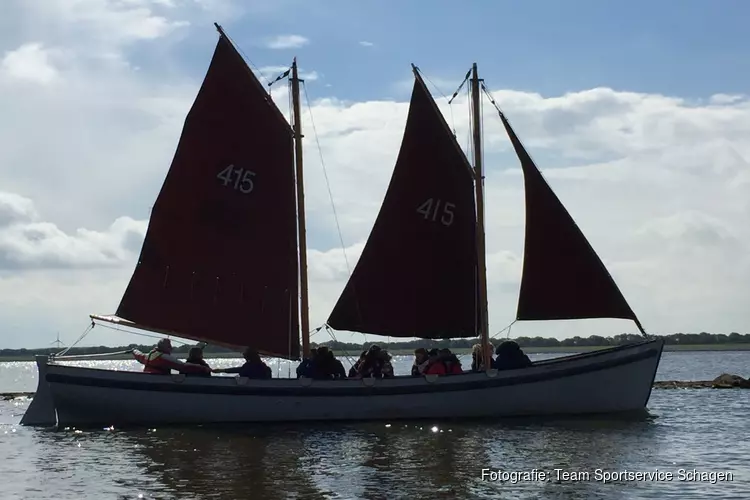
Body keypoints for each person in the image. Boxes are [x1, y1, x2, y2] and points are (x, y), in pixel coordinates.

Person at [132, 338, 210, 375]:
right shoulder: (164, 358)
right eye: (169, 347)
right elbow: (183, 366)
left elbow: (139, 355)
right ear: (165, 348)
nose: (171, 349)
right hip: (160, 384)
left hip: (149, 381)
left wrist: (134, 350)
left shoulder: (149, 355)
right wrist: (203, 368)